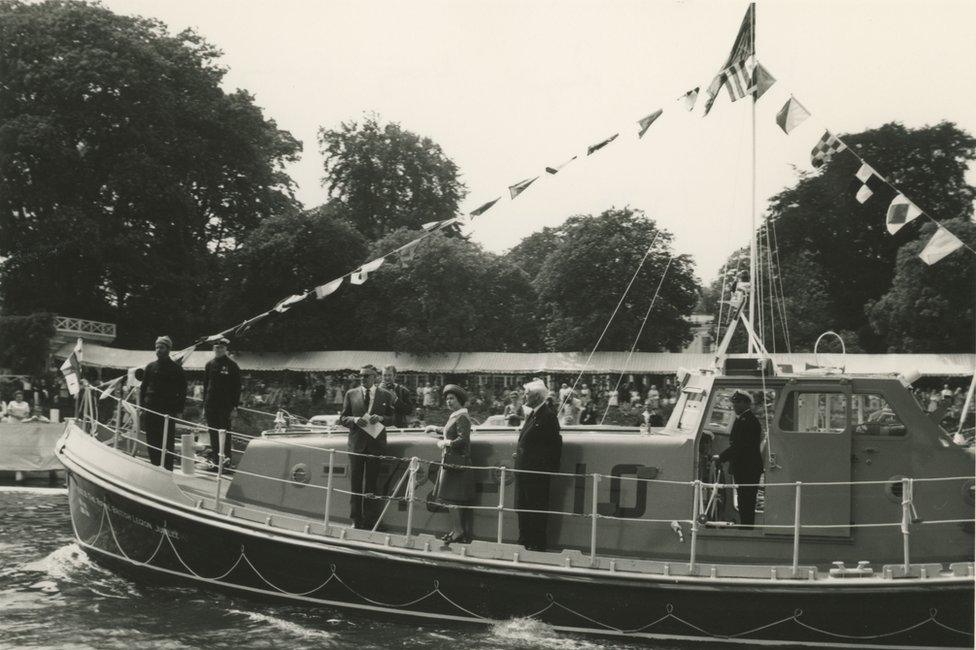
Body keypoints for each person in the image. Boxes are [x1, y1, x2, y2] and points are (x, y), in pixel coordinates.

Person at [339, 364, 395, 529]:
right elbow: (342, 418)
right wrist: (355, 420)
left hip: (375, 445)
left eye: (366, 376)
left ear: (375, 377)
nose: (362, 378)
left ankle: (370, 520)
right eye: (361, 376)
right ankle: (356, 519)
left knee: (372, 484)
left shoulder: (385, 395)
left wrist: (382, 418)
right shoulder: (351, 394)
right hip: (357, 445)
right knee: (355, 483)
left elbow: (393, 419)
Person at [513, 379, 562, 551]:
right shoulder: (533, 414)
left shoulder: (548, 416)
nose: (524, 396)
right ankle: (524, 540)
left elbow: (555, 445)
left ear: (537, 396)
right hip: (524, 471)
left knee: (536, 509)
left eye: (527, 393)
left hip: (535, 474)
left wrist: (545, 470)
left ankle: (536, 544)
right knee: (522, 507)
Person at [426, 384, 475, 543]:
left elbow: (463, 440)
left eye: (452, 398)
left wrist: (446, 443)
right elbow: (450, 430)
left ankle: (458, 531)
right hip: (451, 462)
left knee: (452, 499)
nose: (448, 401)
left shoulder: (462, 417)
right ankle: (456, 530)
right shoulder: (455, 416)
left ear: (459, 400)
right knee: (450, 499)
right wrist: (435, 428)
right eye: (447, 399)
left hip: (456, 463)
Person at [717, 391, 764, 529]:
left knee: (747, 500)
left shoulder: (748, 421)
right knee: (744, 500)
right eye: (734, 402)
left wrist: (721, 457)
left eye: (737, 402)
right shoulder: (743, 419)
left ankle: (747, 528)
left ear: (746, 403)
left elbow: (740, 445)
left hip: (748, 468)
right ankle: (745, 527)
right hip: (745, 467)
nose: (735, 405)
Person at [139, 336, 187, 470]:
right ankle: (154, 467)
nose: (158, 350)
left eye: (161, 347)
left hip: (167, 411)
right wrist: (142, 407)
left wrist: (179, 411)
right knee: (152, 440)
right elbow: (143, 388)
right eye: (157, 347)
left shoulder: (176, 369)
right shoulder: (150, 367)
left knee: (167, 441)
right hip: (151, 409)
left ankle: (167, 469)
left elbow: (182, 391)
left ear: (168, 349)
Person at [203, 338, 241, 470]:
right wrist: (204, 406)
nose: (218, 350)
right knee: (213, 433)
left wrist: (235, 407)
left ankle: (226, 462)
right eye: (216, 347)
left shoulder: (232, 366)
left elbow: (237, 388)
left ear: (226, 349)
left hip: (225, 406)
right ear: (213, 349)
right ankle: (215, 461)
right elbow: (206, 385)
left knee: (224, 434)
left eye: (221, 347)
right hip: (210, 405)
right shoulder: (209, 365)